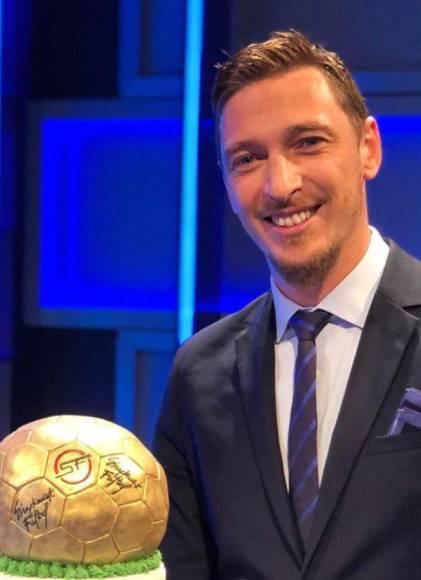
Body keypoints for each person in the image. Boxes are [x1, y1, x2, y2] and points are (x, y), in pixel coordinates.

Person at [154, 30, 421, 579]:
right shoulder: (197, 374)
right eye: (248, 158)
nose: (280, 184)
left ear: (368, 147)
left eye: (308, 142)